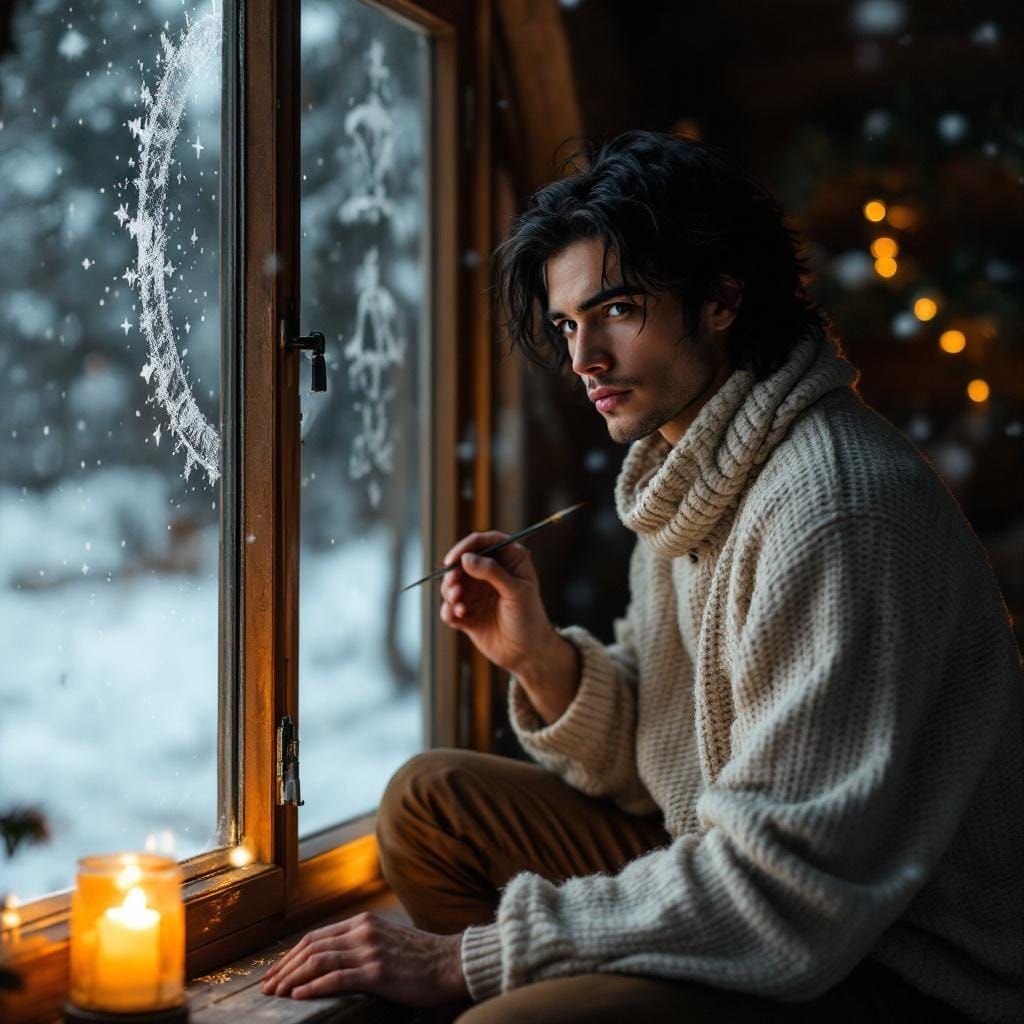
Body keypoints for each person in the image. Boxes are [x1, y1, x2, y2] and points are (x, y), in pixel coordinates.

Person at [260, 130, 1023, 1023]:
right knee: (429, 808)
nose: (583, 358)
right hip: (752, 874)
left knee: (498, 1020)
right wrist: (539, 658)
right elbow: (669, 759)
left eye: (615, 310)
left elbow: (785, 884)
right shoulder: (694, 465)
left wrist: (479, 959)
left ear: (721, 300)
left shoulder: (834, 511)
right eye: (566, 324)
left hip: (886, 960)